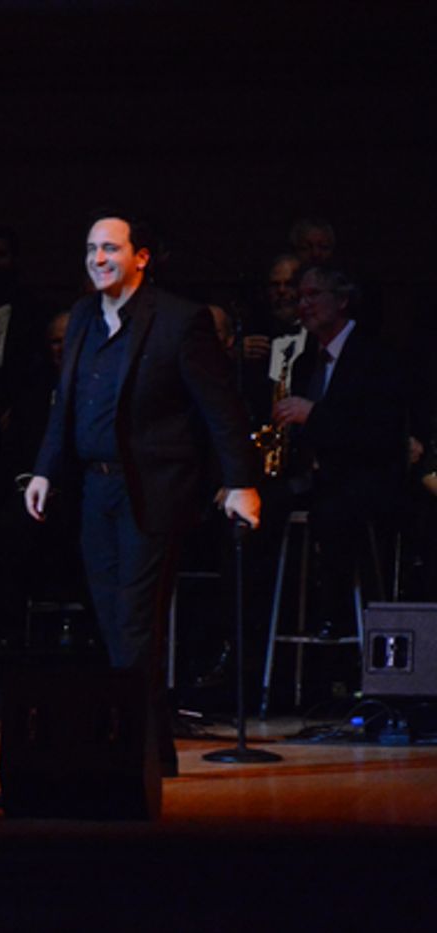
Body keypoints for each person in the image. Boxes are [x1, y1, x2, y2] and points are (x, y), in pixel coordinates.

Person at [24, 212, 260, 775]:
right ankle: (154, 750)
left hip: (152, 490)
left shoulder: (179, 320)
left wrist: (242, 482)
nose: (98, 259)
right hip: (94, 490)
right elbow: (67, 401)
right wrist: (44, 470)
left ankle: (130, 749)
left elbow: (220, 408)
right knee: (113, 620)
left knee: (133, 620)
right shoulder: (82, 316)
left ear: (141, 257)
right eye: (90, 249)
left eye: (110, 248)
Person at [272, 263, 407, 639]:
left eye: (314, 295)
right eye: (300, 297)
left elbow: (380, 435)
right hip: (316, 478)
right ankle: (260, 622)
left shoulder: (376, 357)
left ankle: (335, 614)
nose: (304, 305)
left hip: (364, 479)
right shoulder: (303, 364)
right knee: (258, 507)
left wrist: (313, 415)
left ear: (342, 300)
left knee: (333, 512)